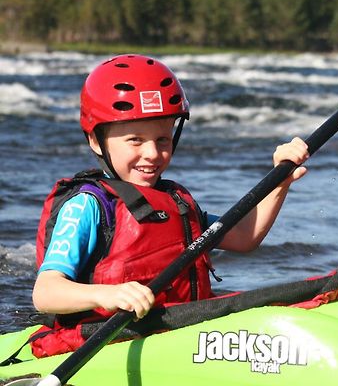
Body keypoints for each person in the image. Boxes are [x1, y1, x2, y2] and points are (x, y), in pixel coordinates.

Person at [30, 54, 309, 357]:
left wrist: (279, 181)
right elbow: (46, 293)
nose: (152, 153)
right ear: (96, 142)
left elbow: (244, 237)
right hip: (106, 340)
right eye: (135, 140)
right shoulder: (88, 205)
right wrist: (108, 294)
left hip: (179, 331)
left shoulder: (176, 203)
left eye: (162, 139)